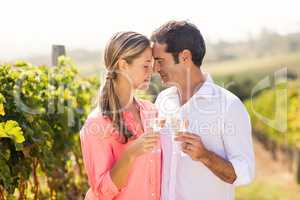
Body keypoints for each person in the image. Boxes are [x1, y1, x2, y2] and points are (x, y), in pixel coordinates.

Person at [152, 21, 255, 200]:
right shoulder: (162, 100)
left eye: (160, 61)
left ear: (185, 57)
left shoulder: (229, 106)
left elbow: (244, 173)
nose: (155, 69)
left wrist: (205, 156)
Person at [80, 31, 161, 200]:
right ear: (123, 65)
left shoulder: (151, 111)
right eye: (145, 65)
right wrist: (129, 154)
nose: (151, 71)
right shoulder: (97, 123)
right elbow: (101, 192)